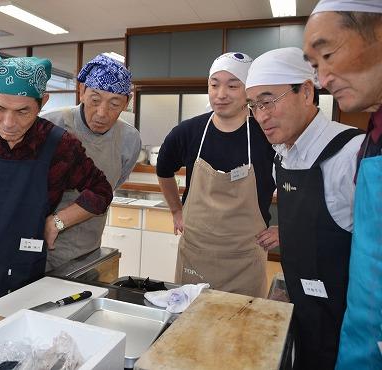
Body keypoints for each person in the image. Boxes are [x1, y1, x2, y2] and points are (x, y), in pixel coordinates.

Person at [0, 53, 113, 308]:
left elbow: (101, 191)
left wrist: (57, 222)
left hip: (22, 260)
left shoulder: (59, 145)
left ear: (43, 103)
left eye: (22, 111)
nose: (8, 123)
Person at [245, 47, 365, 370]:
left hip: (348, 330)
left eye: (268, 101)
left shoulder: (353, 155)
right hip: (303, 316)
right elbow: (325, 223)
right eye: (254, 106)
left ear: (307, 92)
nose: (260, 116)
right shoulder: (281, 158)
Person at [157, 52, 277, 298]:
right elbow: (163, 169)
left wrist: (284, 227)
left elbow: (297, 179)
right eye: (214, 85)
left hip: (244, 258)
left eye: (233, 85)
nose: (221, 94)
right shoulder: (188, 132)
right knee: (189, 325)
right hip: (196, 255)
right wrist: (176, 210)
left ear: (248, 91)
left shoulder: (267, 133)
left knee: (241, 327)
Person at [303, 1, 382, 368]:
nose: (323, 78)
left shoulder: (347, 145)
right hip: (361, 339)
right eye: (316, 66)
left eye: (328, 54)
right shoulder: (373, 140)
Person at [40, 54, 141, 271]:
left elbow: (106, 190)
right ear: (82, 91)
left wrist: (61, 220)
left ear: (127, 103)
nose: (102, 113)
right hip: (39, 249)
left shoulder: (129, 140)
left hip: (88, 250)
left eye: (114, 104)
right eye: (95, 100)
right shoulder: (51, 124)